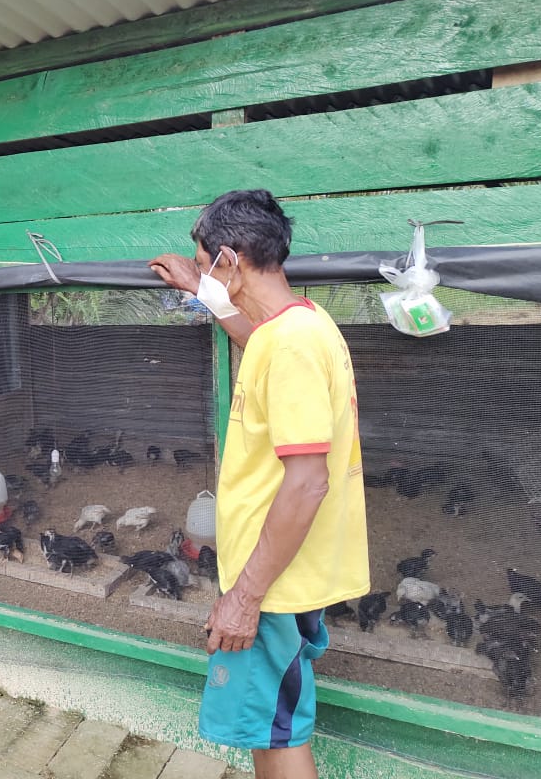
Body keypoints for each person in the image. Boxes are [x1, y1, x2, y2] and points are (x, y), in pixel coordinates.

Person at [149, 189, 369, 779]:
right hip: (286, 570)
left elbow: (306, 484)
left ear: (231, 258)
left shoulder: (292, 345)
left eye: (204, 263)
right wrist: (203, 295)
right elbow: (261, 344)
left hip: (272, 581)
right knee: (266, 723)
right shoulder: (298, 325)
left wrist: (244, 598)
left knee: (279, 731)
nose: (203, 271)